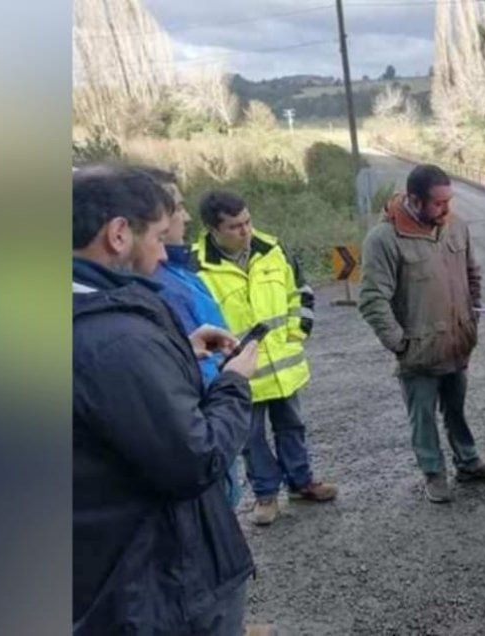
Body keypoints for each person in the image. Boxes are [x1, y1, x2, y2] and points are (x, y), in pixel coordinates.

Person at [73, 166, 269, 634]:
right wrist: (233, 383)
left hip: (117, 578)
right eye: (159, 237)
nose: (164, 253)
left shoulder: (93, 321)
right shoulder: (115, 341)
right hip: (161, 584)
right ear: (119, 233)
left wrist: (178, 349)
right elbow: (195, 458)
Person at [358, 164, 485, 503]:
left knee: (456, 409)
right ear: (414, 200)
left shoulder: (455, 226)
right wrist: (399, 343)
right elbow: (371, 299)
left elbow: (472, 274)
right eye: (439, 203)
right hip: (418, 351)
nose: (446, 209)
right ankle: (433, 474)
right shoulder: (384, 239)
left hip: (456, 343)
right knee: (423, 417)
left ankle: (468, 463)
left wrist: (471, 318)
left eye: (448, 201)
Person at [194, 190, 338, 526]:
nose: (245, 231)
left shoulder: (273, 249)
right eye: (234, 226)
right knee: (250, 437)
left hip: (283, 364)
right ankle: (266, 494)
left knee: (293, 426)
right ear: (213, 230)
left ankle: (301, 483)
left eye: (247, 221)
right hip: (240, 371)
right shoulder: (197, 267)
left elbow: (300, 292)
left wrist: (297, 331)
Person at [141, 168, 244, 508]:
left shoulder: (178, 272)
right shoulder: (153, 284)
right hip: (202, 421)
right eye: (178, 207)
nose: (186, 217)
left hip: (215, 411)